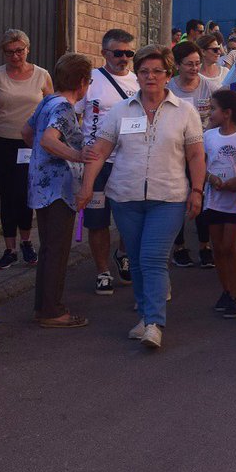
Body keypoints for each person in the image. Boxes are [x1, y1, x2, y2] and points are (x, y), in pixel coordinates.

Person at [77, 45, 206, 350]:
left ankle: (154, 323)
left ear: (168, 75)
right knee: (134, 260)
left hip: (169, 196)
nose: (150, 76)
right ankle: (145, 316)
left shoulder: (185, 111)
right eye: (144, 71)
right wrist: (87, 186)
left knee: (152, 257)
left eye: (157, 71)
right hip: (125, 196)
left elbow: (196, 154)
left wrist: (197, 190)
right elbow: (101, 151)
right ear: (137, 74)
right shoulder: (122, 111)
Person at [22, 53, 93, 328]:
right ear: (82, 83)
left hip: (40, 185)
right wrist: (76, 156)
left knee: (50, 248)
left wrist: (42, 160)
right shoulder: (64, 107)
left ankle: (44, 306)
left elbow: (26, 133)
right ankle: (53, 310)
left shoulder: (48, 101)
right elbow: (48, 140)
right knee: (58, 250)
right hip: (58, 189)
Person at [0, 29, 53, 269]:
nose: (15, 56)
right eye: (10, 52)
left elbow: (52, 108)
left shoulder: (41, 75)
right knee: (8, 194)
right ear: (3, 53)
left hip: (30, 144)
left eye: (19, 50)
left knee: (25, 192)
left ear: (27, 49)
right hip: (2, 142)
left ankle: (27, 242)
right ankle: (9, 248)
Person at [75, 29, 140, 295]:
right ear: (104, 53)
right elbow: (73, 114)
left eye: (128, 53)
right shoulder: (90, 81)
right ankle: (102, 271)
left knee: (130, 218)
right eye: (118, 53)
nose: (123, 58)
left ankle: (122, 253)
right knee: (97, 220)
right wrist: (81, 148)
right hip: (99, 163)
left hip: (129, 162)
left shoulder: (139, 81)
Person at [203, 90, 236, 317]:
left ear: (227, 113)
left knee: (229, 247)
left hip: (235, 201)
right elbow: (200, 164)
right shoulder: (208, 136)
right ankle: (225, 290)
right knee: (217, 249)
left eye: (213, 108)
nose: (209, 112)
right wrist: (210, 178)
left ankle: (235, 294)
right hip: (213, 198)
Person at [168, 40, 216, 268]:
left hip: (202, 152)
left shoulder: (209, 87)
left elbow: (217, 116)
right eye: (189, 64)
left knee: (202, 196)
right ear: (178, 65)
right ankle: (179, 247)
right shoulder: (169, 88)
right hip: (175, 151)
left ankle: (205, 245)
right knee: (178, 197)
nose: (195, 68)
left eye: (197, 63)